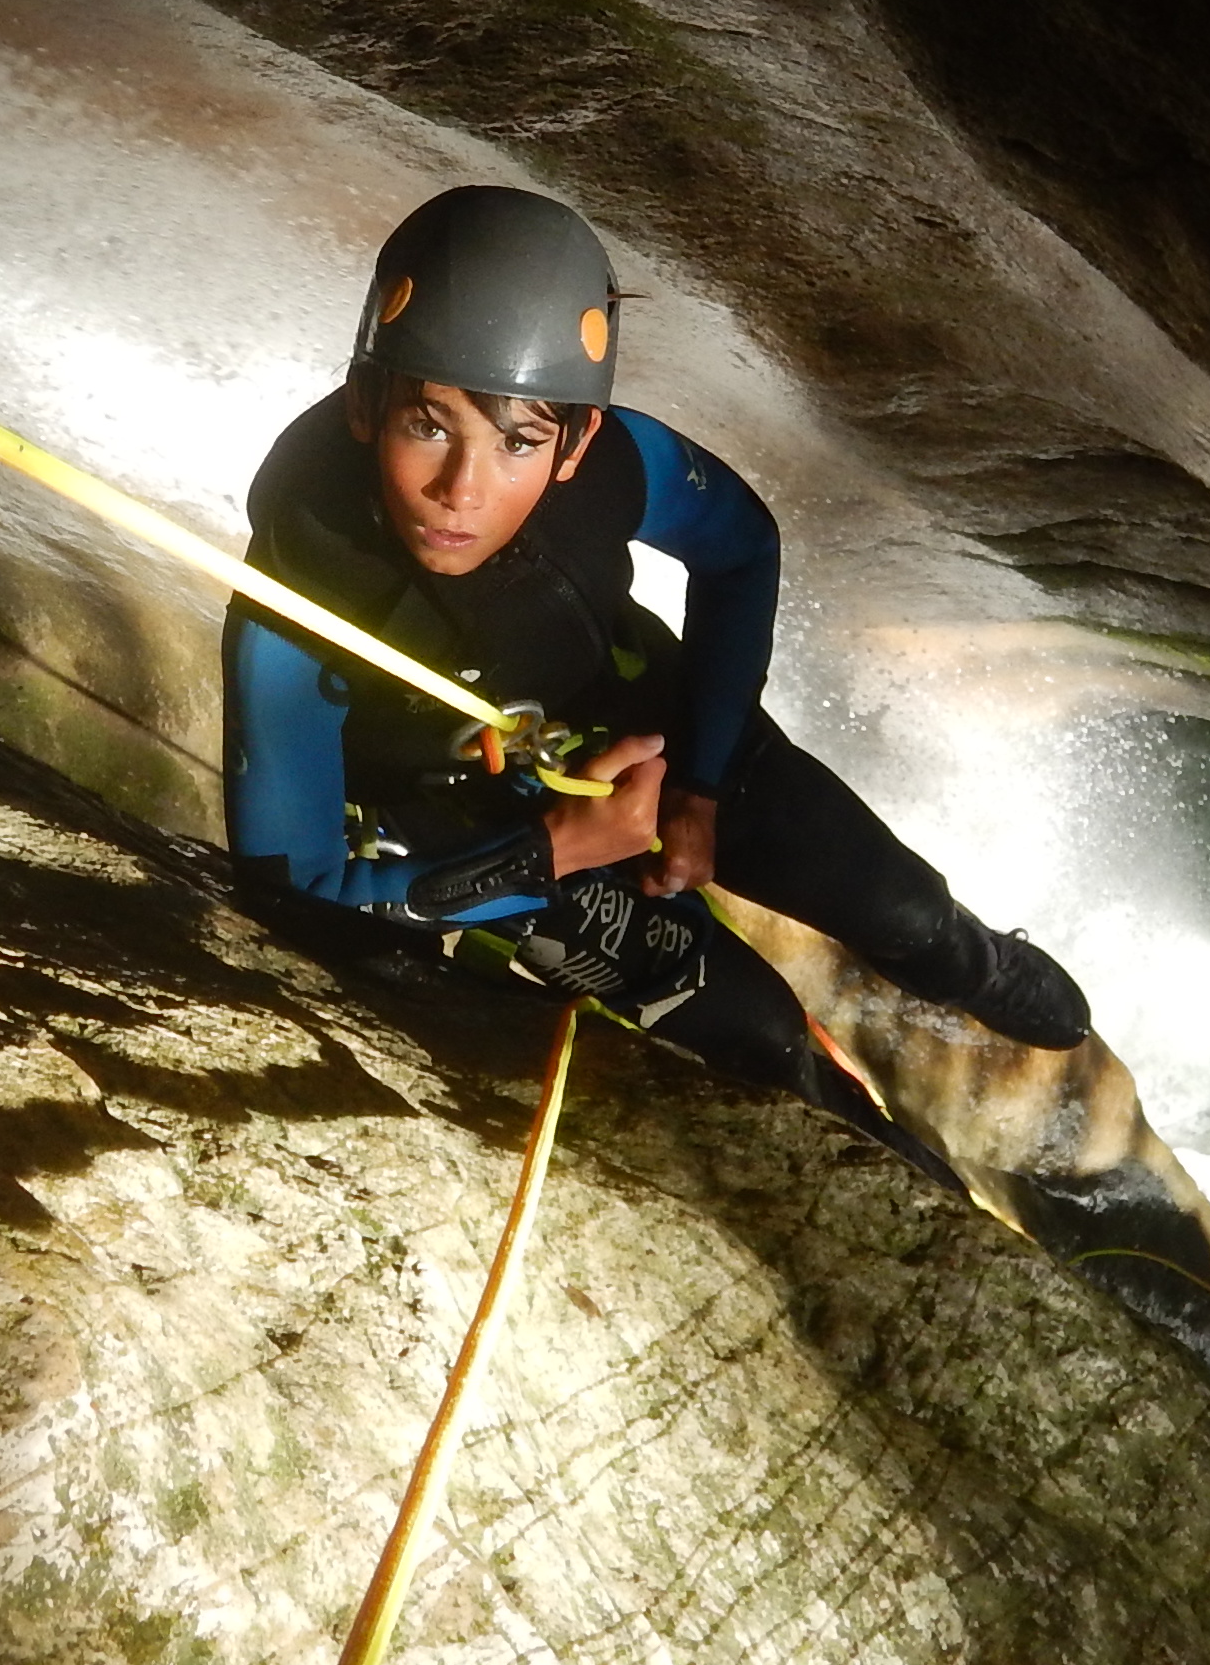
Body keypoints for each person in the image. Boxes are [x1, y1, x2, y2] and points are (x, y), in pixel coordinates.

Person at [223, 184, 1092, 1169]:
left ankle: (975, 964)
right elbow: (286, 892)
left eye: (517, 442)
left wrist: (702, 788)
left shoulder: (614, 463)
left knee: (907, 915)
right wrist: (549, 854)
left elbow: (740, 549)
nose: (460, 494)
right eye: (429, 425)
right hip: (491, 830)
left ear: (575, 443)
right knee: (759, 1038)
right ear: (363, 404)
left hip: (650, 722)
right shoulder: (304, 582)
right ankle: (889, 1158)